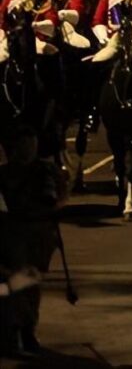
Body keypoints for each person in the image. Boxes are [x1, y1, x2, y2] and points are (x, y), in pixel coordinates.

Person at [0, 126, 64, 357]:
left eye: (32, 143)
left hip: (38, 238)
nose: (29, 149)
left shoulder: (47, 171)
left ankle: (24, 330)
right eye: (24, 144)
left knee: (28, 285)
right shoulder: (4, 175)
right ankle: (17, 332)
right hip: (12, 237)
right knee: (18, 285)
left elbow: (60, 197)